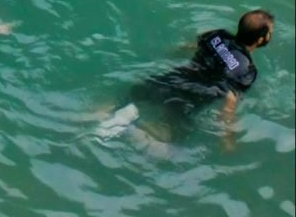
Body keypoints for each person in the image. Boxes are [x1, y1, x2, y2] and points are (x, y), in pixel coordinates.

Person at [98, 9, 275, 150]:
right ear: (261, 39)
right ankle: (130, 127)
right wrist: (227, 136)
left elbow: (187, 47)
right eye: (270, 32)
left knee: (123, 98)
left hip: (173, 78)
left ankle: (113, 114)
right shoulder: (247, 69)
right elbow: (230, 101)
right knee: (166, 148)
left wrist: (168, 54)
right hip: (189, 98)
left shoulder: (218, 36)